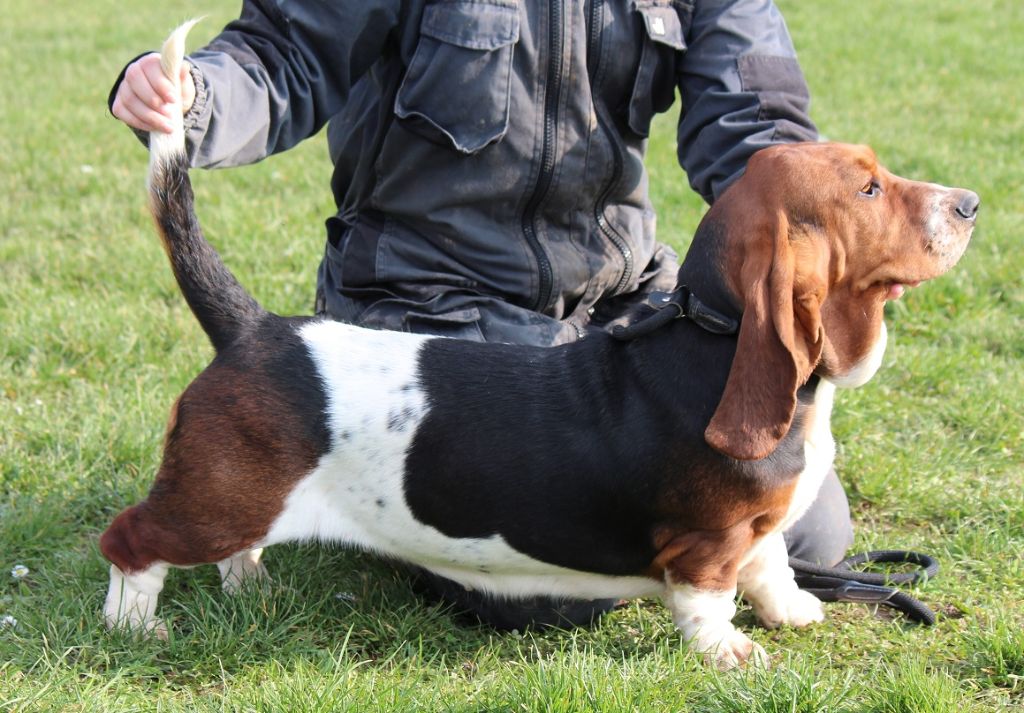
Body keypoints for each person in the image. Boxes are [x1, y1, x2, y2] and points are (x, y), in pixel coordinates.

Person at [110, 0, 853, 630]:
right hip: (431, 300)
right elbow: (285, 51)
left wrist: (836, 224)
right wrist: (193, 96)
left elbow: (759, 124)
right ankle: (329, 472)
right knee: (539, 592)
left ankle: (356, 489)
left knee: (796, 521)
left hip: (616, 305)